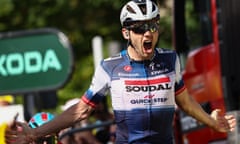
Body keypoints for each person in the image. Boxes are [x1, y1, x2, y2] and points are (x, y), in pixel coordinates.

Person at [5, 0, 236, 144]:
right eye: (140, 28)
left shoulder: (170, 59)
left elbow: (185, 102)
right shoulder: (110, 67)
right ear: (126, 33)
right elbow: (81, 111)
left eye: (153, 26)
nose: (148, 34)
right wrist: (35, 134)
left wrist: (211, 122)